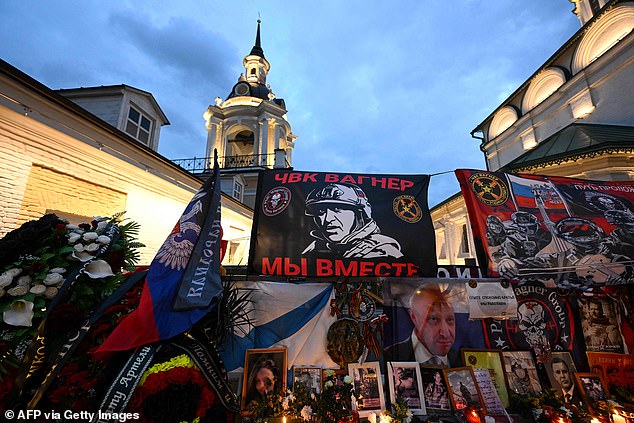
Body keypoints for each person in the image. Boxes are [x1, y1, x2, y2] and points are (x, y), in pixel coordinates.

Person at [302, 183, 403, 258]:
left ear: (360, 214)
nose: (328, 219)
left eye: (337, 209)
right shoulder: (315, 247)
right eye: (320, 211)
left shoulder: (382, 252)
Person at [385, 283, 458, 366]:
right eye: (433, 319)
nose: (445, 333)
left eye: (449, 320)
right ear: (413, 317)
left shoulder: (460, 360)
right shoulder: (390, 356)